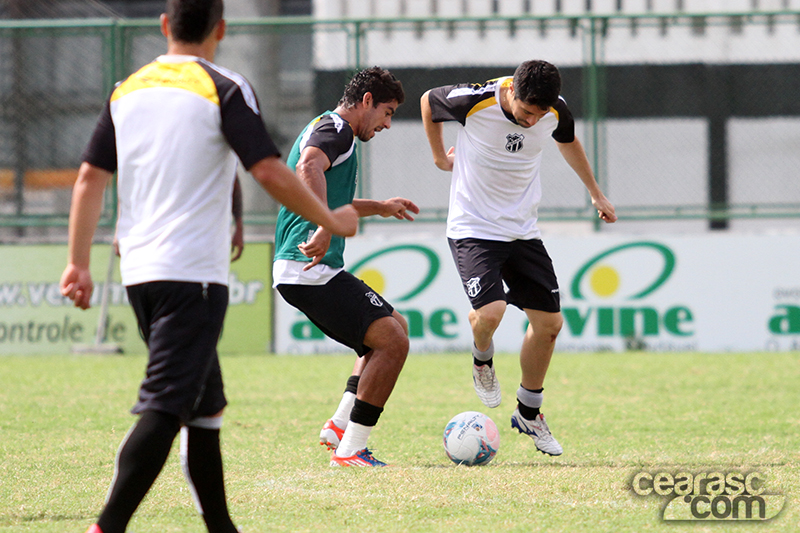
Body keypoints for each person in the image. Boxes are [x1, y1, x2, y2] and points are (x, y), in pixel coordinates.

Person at [60, 1, 357, 532]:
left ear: (164, 26)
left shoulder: (127, 89)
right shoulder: (225, 86)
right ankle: (105, 526)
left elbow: (90, 178)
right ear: (221, 28)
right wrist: (329, 219)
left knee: (205, 409)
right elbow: (266, 168)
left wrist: (77, 263)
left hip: (140, 273)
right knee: (166, 406)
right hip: (192, 274)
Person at [420, 59, 617, 457]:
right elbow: (428, 100)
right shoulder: (475, 100)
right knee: (490, 314)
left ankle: (529, 412)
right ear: (511, 91)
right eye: (527, 112)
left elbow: (568, 141)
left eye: (539, 115)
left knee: (549, 325)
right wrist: (441, 158)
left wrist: (596, 193)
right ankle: (482, 358)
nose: (532, 121)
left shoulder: (554, 110)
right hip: (473, 228)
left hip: (523, 231)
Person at [273, 66, 416, 467]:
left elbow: (331, 196)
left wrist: (380, 207)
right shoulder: (337, 129)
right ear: (367, 101)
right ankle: (351, 449)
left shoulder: (329, 129)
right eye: (387, 112)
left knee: (395, 327)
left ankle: (339, 426)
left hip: (310, 269)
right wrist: (324, 225)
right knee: (393, 343)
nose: (387, 124)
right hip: (308, 268)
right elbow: (308, 168)